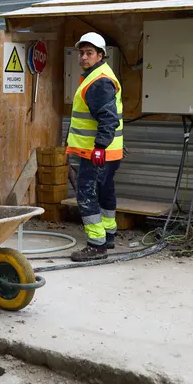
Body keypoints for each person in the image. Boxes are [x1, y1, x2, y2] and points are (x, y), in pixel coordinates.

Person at [66, 32, 123, 262]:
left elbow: (108, 119)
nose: (83, 57)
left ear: (100, 55)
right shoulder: (101, 76)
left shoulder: (98, 81)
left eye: (89, 53)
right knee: (105, 191)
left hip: (96, 153)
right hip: (109, 152)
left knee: (87, 195)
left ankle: (96, 245)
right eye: (81, 53)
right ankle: (108, 236)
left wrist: (99, 146)